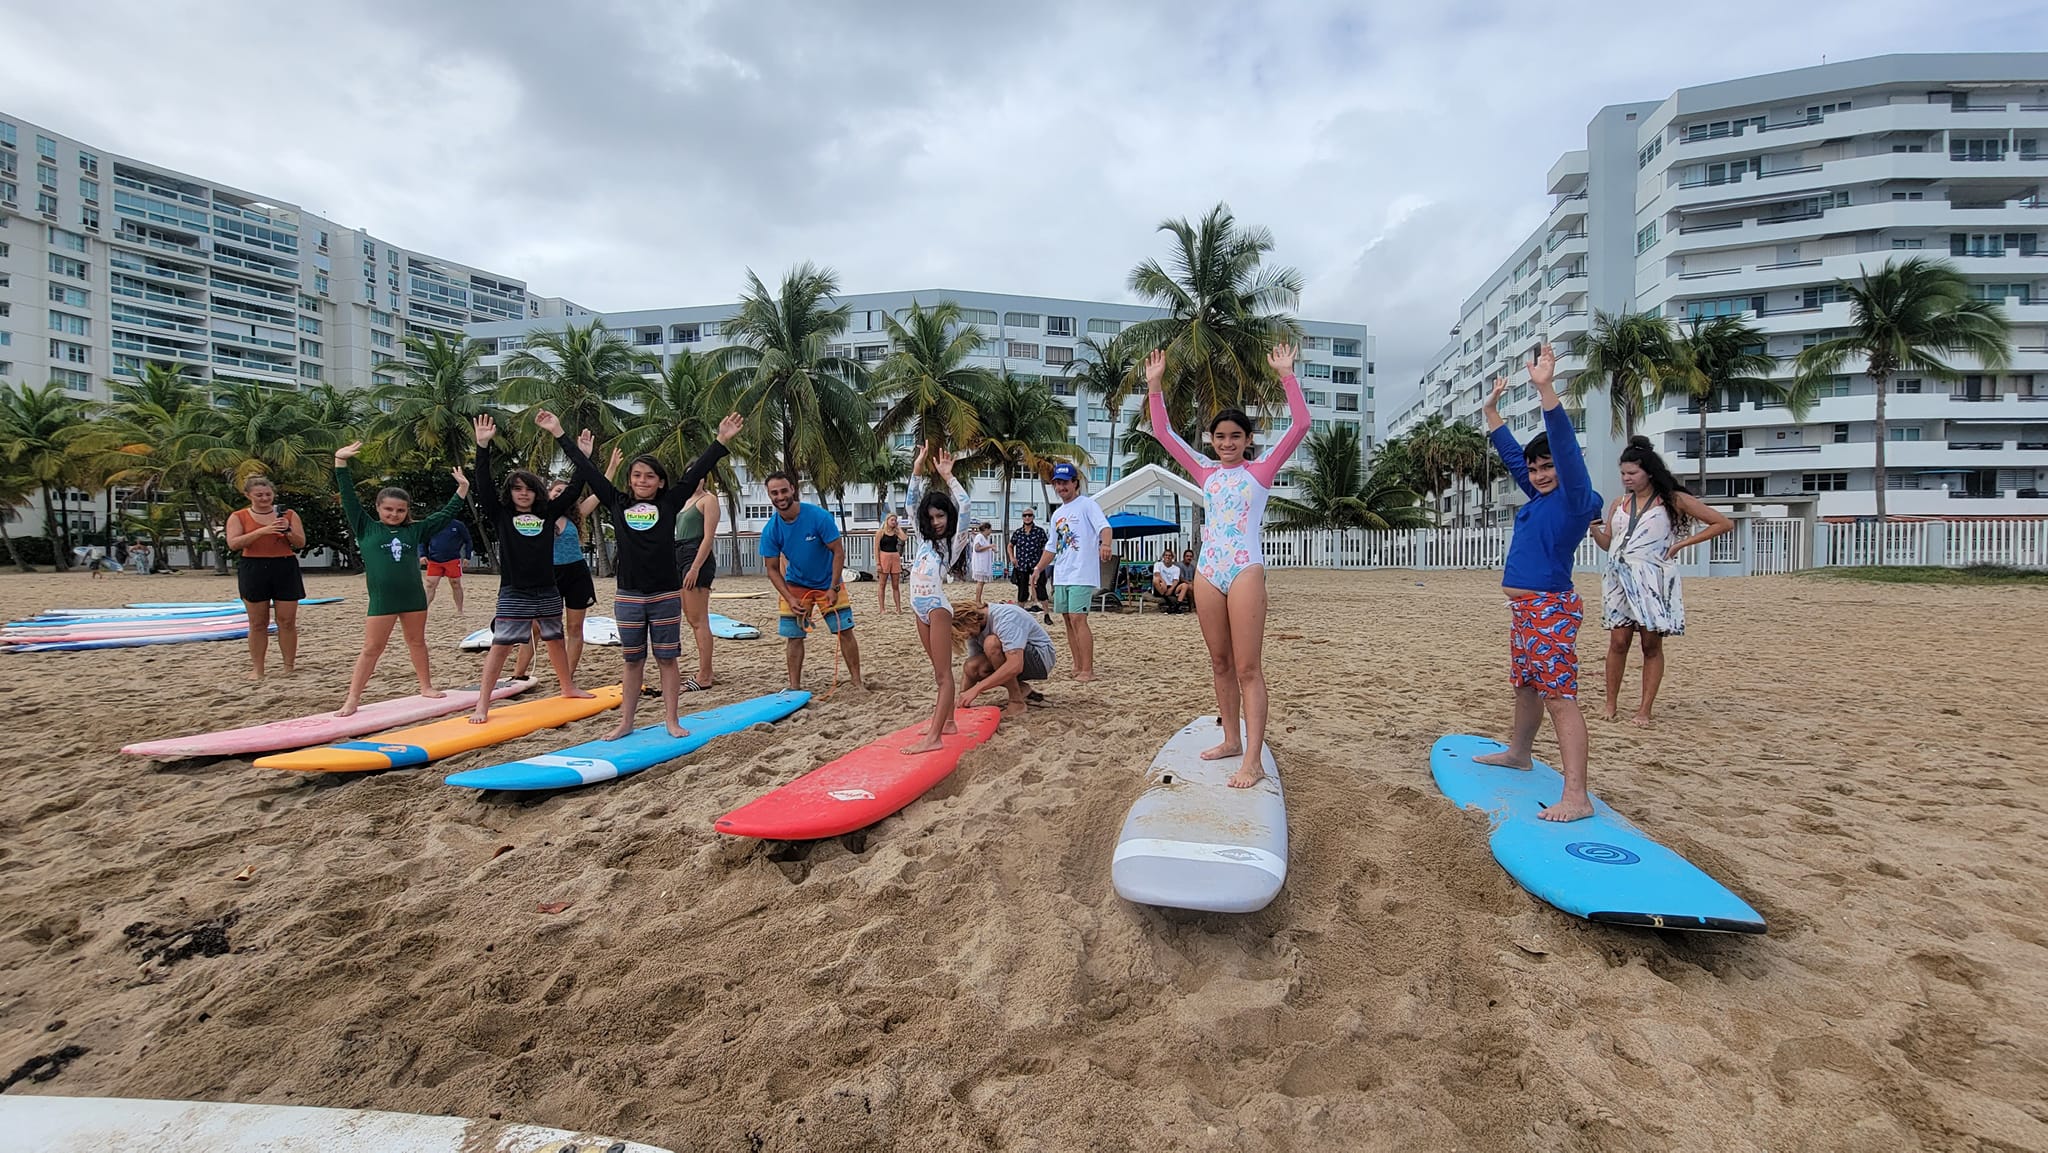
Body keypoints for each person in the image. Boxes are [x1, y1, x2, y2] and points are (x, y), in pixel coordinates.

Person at [1145, 344, 1309, 784]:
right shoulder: (1204, 471)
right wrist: (1155, 384)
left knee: (1247, 667)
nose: (1227, 443)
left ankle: (1252, 758)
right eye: (1220, 437)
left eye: (1235, 436)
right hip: (1207, 571)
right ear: (1212, 441)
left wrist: (1286, 375)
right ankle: (1231, 739)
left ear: (1248, 440)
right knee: (1219, 663)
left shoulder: (1262, 471)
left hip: (1244, 569)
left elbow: (1301, 425)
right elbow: (1163, 433)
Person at [549, 408, 743, 740]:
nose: (642, 481)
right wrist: (559, 434)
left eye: (650, 476)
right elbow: (587, 471)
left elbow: (698, 469)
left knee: (667, 660)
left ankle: (671, 719)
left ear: (661, 482)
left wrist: (721, 440)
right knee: (632, 661)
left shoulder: (669, 503)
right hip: (628, 596)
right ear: (629, 480)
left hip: (665, 595)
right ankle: (626, 722)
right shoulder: (617, 502)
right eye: (637, 475)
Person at [1472, 345, 1604, 822]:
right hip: (1526, 612)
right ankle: (1519, 753)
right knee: (1526, 687)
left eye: (1547, 467)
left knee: (1559, 698)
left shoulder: (1573, 500)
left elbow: (1565, 449)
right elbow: (1512, 456)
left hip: (1550, 609)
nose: (1540, 474)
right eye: (1535, 468)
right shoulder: (1538, 497)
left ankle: (1577, 796)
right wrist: (1491, 412)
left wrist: (1545, 389)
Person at [1589, 435, 1733, 727]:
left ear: (1649, 472)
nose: (1626, 478)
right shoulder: (1619, 503)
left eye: (1632, 473)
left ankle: (1644, 709)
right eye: (1623, 473)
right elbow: (1608, 544)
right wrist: (1593, 530)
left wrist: (1681, 545)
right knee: (1618, 641)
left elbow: (1722, 523)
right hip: (1618, 576)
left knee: (1650, 644)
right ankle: (1611, 704)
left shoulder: (1672, 500)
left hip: (1652, 578)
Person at [466, 414, 594, 723]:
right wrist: (482, 445)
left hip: (547, 589)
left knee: (555, 640)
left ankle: (567, 687)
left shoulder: (548, 513)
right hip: (514, 592)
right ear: (510, 493)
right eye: (517, 489)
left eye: (528, 489)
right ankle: (482, 703)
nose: (523, 493)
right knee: (501, 646)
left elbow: (576, 487)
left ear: (537, 492)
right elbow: (482, 483)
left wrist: (582, 455)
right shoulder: (501, 516)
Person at [333, 442, 469, 717]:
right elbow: (348, 497)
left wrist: (462, 489)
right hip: (383, 600)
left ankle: (426, 686)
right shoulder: (366, 527)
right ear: (379, 508)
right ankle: (352, 699)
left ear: (407, 511)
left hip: (413, 598)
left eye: (400, 510)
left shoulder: (414, 531)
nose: (394, 514)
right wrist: (340, 462)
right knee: (372, 648)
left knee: (417, 642)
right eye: (389, 510)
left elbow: (444, 516)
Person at [760, 470, 864, 693]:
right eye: (774, 493)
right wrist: (789, 597)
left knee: (844, 631)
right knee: (794, 636)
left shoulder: (818, 517)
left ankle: (857, 681)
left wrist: (834, 586)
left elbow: (838, 552)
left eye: (783, 490)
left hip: (829, 580)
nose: (780, 496)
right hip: (795, 584)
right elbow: (771, 568)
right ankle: (794, 686)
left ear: (793, 490)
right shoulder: (771, 529)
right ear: (769, 495)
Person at [901, 445, 975, 754]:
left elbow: (966, 504)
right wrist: (917, 469)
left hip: (937, 609)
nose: (936, 522)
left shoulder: (952, 544)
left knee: (944, 676)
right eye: (930, 517)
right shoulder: (922, 538)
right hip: (919, 609)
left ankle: (934, 738)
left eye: (941, 515)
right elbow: (910, 503)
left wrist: (948, 477)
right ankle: (948, 723)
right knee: (939, 674)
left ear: (948, 516)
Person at [512, 470, 606, 683]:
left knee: (574, 628)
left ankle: (567, 675)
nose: (560, 495)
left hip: (576, 574)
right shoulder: (539, 518)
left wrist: (609, 469)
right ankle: (518, 674)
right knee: (535, 627)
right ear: (548, 493)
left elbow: (599, 492)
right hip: (548, 575)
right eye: (556, 491)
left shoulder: (578, 514)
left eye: (564, 492)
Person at [1029, 462, 1111, 682]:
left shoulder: (1087, 505)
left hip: (1082, 573)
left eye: (1065, 482)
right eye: (1057, 483)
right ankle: (1077, 665)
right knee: (1067, 619)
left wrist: (1105, 544)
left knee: (1078, 618)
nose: (1061, 487)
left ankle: (1087, 670)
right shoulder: (1058, 514)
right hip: (1062, 574)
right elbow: (1051, 547)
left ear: (1075, 483)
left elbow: (1105, 527)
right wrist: (1038, 568)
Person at [224, 475, 307, 681]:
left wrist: (286, 530)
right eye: (259, 495)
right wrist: (263, 531)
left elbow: (300, 542)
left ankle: (289, 666)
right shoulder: (239, 516)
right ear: (248, 495)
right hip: (254, 566)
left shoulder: (287, 514)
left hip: (284, 565)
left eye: (268, 494)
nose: (264, 498)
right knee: (258, 622)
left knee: (287, 621)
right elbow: (234, 543)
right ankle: (258, 669)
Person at [954, 602, 1056, 718]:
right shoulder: (976, 627)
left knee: (991, 643)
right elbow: (973, 668)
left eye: (964, 633)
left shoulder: (1005, 617)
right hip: (1017, 657)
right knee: (972, 666)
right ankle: (1021, 689)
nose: (966, 636)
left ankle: (1016, 702)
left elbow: (1015, 665)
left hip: (1041, 659)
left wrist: (977, 689)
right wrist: (961, 700)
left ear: (969, 620)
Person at [674, 478, 723, 691]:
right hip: (679, 553)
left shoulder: (708, 500)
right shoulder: (684, 500)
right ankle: (706, 670)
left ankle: (705, 675)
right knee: (690, 618)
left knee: (698, 619)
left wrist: (695, 567)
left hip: (696, 555)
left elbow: (708, 537)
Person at [422, 515, 474, 617]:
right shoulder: (432, 525)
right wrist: (422, 555)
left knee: (455, 584)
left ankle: (459, 610)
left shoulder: (458, 525)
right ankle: (424, 609)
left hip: (452, 559)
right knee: (430, 584)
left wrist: (467, 556)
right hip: (434, 560)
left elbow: (468, 540)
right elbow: (423, 541)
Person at [1008, 509, 1048, 612]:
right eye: (1025, 515)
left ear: (1033, 517)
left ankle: (1046, 613)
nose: (1027, 517)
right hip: (1022, 564)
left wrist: (1043, 562)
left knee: (1041, 588)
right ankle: (1021, 612)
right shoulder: (1018, 532)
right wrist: (1012, 558)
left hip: (1037, 564)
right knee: (1022, 590)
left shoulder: (1039, 531)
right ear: (1022, 517)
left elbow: (1046, 548)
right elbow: (1010, 545)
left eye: (1029, 515)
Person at [874, 514, 908, 614]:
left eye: (895, 520)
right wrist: (878, 563)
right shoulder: (880, 532)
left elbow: (904, 538)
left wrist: (898, 527)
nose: (894, 522)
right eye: (892, 520)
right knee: (882, 584)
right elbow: (876, 549)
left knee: (895, 585)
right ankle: (882, 608)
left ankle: (898, 608)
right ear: (887, 520)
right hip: (884, 556)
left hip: (895, 556)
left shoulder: (896, 532)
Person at [1151, 542, 1192, 613]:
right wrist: (1163, 582)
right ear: (1163, 557)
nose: (1167, 557)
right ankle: (1168, 601)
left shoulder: (1176, 568)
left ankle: (1177, 606)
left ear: (1172, 557)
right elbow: (1157, 574)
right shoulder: (1158, 564)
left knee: (1185, 585)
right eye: (1166, 555)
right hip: (1161, 587)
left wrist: (1171, 589)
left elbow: (1176, 580)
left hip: (1171, 587)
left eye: (1170, 555)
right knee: (1155, 580)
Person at [969, 521, 995, 603]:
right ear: (986, 529)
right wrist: (989, 546)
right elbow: (977, 549)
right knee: (980, 582)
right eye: (990, 529)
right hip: (980, 563)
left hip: (984, 563)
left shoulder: (984, 538)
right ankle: (977, 601)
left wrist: (991, 548)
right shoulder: (979, 537)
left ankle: (979, 599)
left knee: (982, 582)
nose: (991, 531)